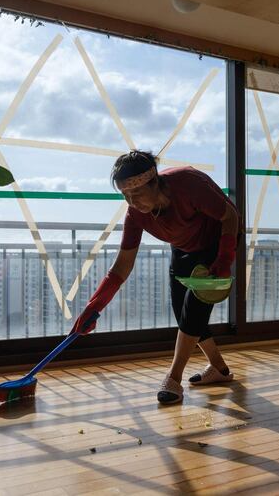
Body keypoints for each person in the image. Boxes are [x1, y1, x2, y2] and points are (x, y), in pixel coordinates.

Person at [71, 150, 240, 405]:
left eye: (136, 193)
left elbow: (230, 216)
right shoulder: (135, 215)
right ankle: (219, 368)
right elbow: (121, 267)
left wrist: (225, 258)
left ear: (155, 182)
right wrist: (94, 307)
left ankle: (173, 379)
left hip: (217, 241)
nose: (132, 201)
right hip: (183, 246)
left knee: (194, 308)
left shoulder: (188, 184)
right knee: (181, 311)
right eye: (125, 196)